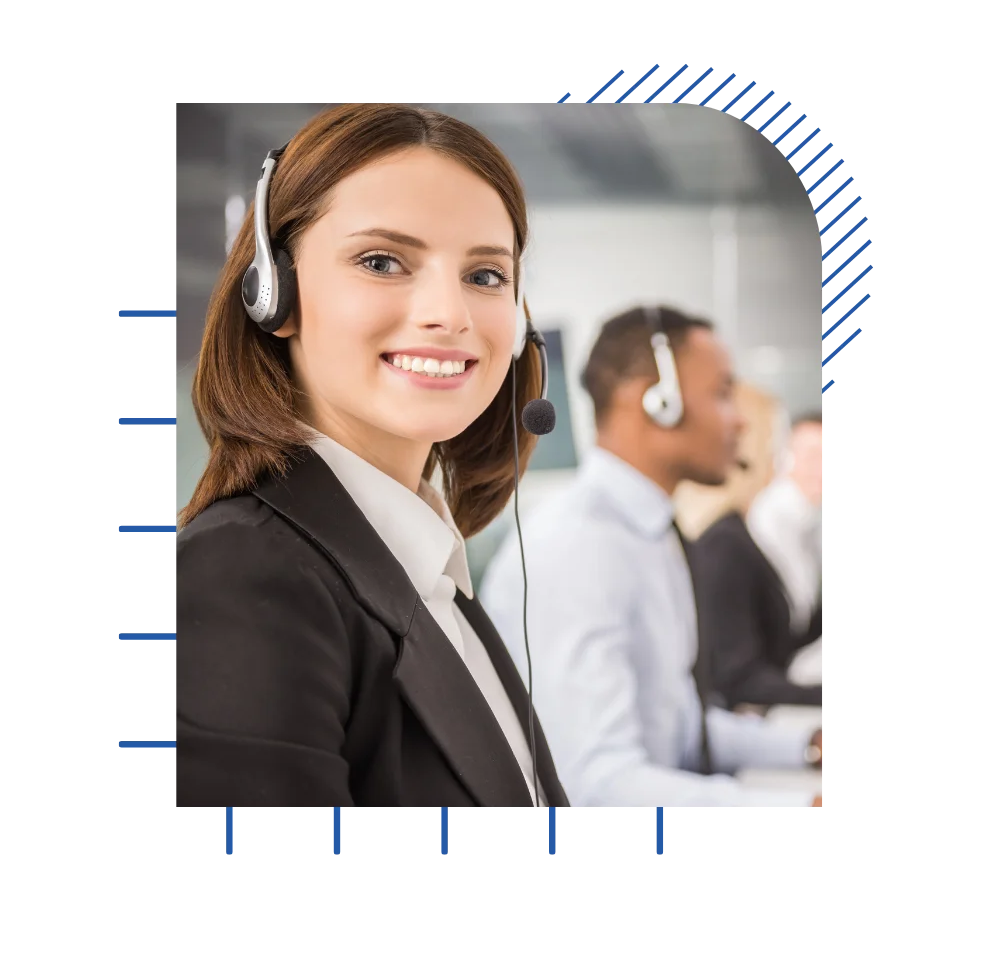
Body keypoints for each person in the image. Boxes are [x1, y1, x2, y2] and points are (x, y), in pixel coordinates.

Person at [175, 103, 569, 811]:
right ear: (275, 295)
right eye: (382, 261)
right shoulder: (242, 576)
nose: (449, 313)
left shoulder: (426, 574)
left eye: (485, 275)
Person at [480, 306, 824, 811]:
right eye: (723, 393)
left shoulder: (650, 532)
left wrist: (807, 746)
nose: (742, 419)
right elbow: (596, 787)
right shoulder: (579, 545)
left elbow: (680, 729)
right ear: (656, 400)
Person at [696, 412, 825, 711]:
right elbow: (738, 679)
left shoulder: (805, 540)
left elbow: (794, 634)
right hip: (739, 720)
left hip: (778, 705)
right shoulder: (728, 547)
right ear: (780, 459)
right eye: (811, 455)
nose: (819, 470)